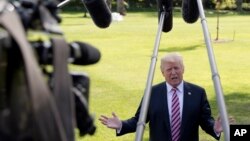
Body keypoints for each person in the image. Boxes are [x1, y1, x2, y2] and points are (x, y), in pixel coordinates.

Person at [99, 52, 229, 141]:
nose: (173, 72)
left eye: (176, 68)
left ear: (183, 69)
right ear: (162, 72)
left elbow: (206, 121)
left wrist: (214, 128)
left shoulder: (198, 93)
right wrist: (121, 124)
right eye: (169, 69)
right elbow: (139, 120)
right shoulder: (152, 93)